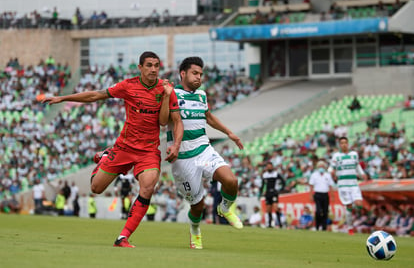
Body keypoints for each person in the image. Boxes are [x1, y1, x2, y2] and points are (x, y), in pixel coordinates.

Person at [41, 51, 184, 248]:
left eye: (156, 65)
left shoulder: (165, 89)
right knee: (96, 188)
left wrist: (168, 101)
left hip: (148, 151)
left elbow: (164, 122)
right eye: (149, 65)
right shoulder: (128, 86)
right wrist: (63, 98)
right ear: (140, 67)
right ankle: (105, 157)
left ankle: (123, 237)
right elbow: (96, 95)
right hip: (124, 147)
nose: (153, 69)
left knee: (149, 186)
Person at [165, 56, 244, 249]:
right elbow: (163, 120)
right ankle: (195, 230)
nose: (199, 77)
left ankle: (224, 208)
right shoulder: (170, 94)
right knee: (197, 206)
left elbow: (208, 117)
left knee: (231, 181)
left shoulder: (201, 95)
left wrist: (229, 132)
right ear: (183, 73)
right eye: (195, 73)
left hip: (204, 149)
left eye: (201, 74)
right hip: (183, 159)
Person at [328, 136, 367, 235]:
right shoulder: (336, 156)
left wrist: (362, 173)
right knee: (349, 206)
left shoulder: (354, 154)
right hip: (343, 185)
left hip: (354, 184)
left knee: (359, 204)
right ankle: (350, 228)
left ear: (348, 144)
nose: (344, 144)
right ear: (339, 145)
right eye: (342, 143)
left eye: (345, 142)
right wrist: (331, 172)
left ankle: (351, 211)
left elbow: (357, 165)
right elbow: (330, 168)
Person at [309, 160, 335, 231]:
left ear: (325, 167)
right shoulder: (314, 175)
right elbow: (311, 186)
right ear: (317, 167)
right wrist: (310, 195)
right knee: (318, 211)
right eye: (320, 166)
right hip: (317, 194)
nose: (321, 168)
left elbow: (330, 186)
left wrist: (332, 196)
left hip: (325, 194)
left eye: (322, 166)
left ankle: (324, 227)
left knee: (325, 211)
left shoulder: (328, 175)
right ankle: (317, 226)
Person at [259, 162, 286, 228]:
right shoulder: (265, 175)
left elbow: (283, 181)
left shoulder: (276, 174)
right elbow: (262, 185)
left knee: (275, 207)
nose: (269, 168)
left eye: (270, 166)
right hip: (268, 193)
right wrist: (261, 192)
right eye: (268, 167)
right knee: (268, 209)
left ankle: (280, 224)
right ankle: (270, 224)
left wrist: (280, 189)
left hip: (274, 193)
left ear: (272, 167)